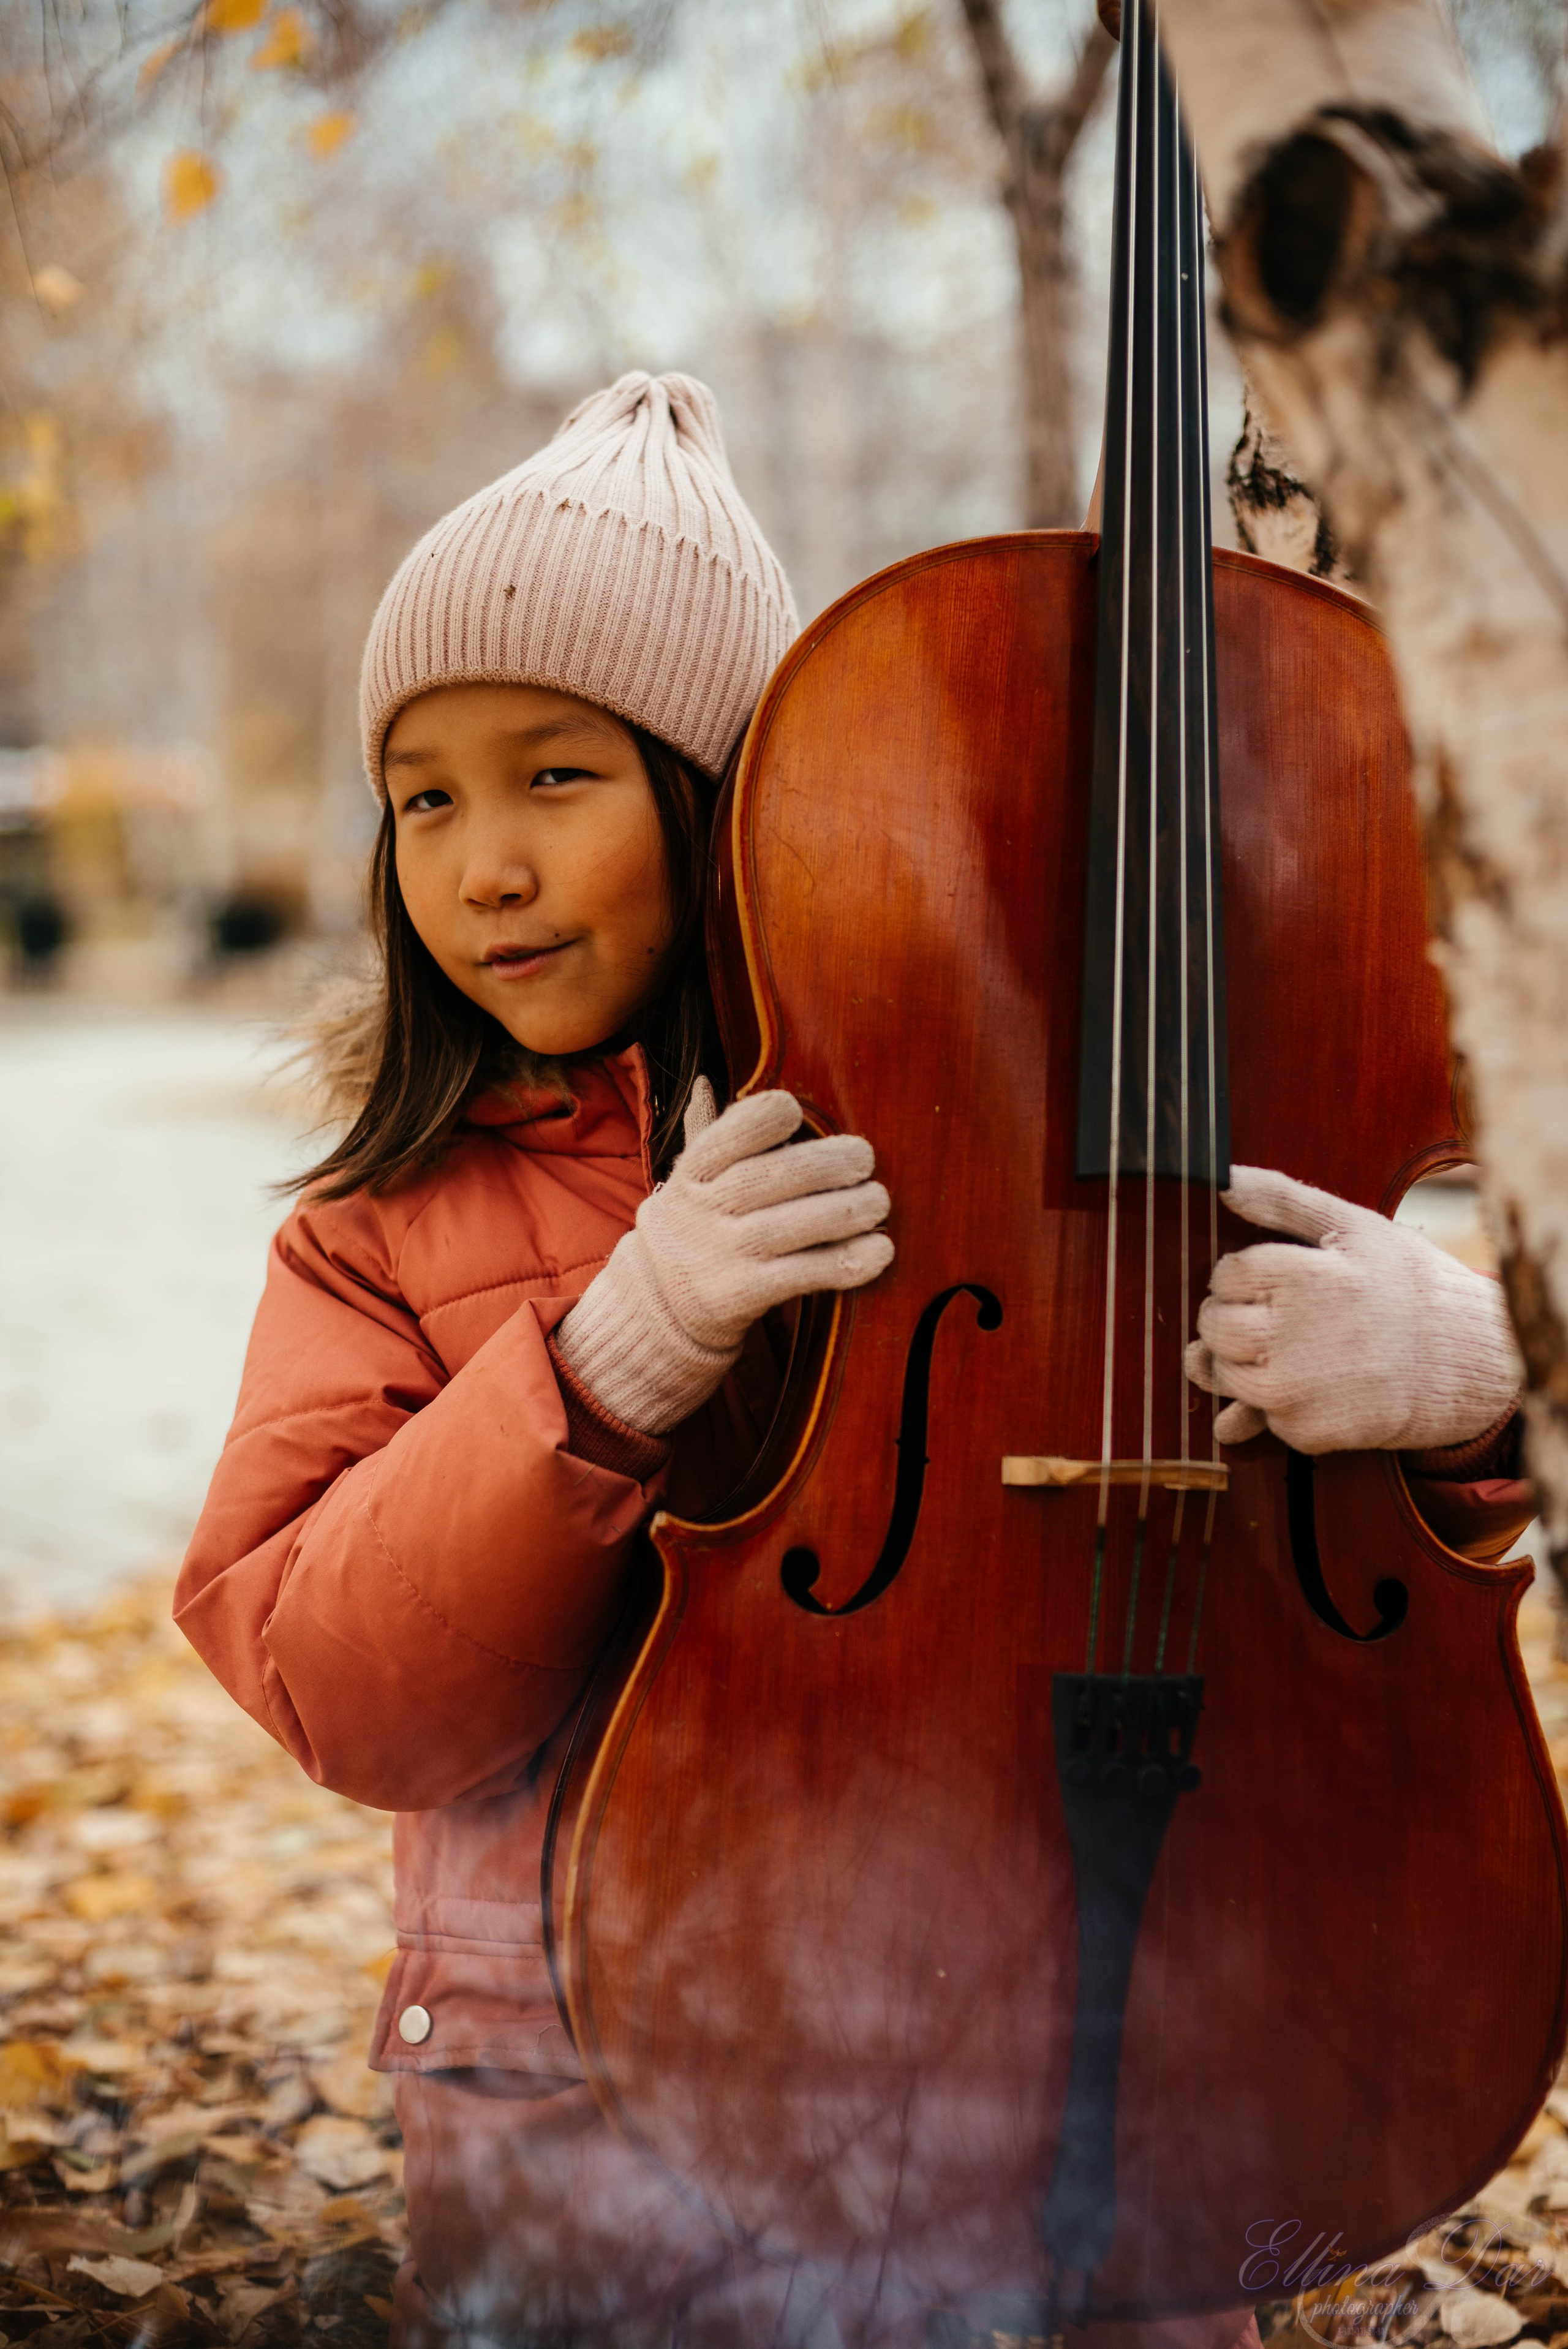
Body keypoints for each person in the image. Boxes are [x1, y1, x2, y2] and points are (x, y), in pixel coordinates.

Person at [176, 371, 1532, 2349]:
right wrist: (610, 1354)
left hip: (1080, 2023)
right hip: (581, 2135)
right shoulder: (380, 1230)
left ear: (731, 792)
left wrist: (1481, 1373)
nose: (480, 862)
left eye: (558, 775)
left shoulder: (1005, 1120)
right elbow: (335, 1687)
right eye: (424, 797)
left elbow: (1279, 1504)